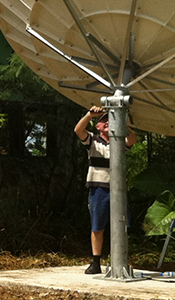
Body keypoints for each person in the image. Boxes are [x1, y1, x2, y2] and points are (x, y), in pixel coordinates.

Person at [74, 106, 137, 274]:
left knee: (122, 224)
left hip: (118, 190)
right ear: (98, 126)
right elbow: (78, 130)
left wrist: (123, 124)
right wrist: (90, 115)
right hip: (98, 189)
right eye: (103, 120)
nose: (107, 122)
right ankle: (96, 262)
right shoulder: (93, 140)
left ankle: (120, 260)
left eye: (110, 119)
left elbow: (132, 140)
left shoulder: (119, 142)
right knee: (97, 226)